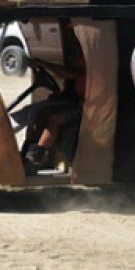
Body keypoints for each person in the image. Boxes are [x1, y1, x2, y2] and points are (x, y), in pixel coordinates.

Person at [14, 23, 86, 173]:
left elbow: (71, 74)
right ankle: (29, 152)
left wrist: (43, 63)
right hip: (75, 103)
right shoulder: (79, 66)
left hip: (86, 109)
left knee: (54, 119)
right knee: (38, 111)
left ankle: (36, 157)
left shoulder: (88, 69)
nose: (76, 58)